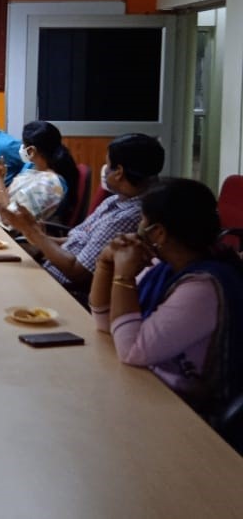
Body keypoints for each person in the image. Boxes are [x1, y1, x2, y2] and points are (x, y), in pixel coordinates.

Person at [89, 178, 243, 450]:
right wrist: (105, 262)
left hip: (187, 417)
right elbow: (107, 324)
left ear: (158, 232)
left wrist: (124, 275)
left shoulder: (203, 287)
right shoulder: (164, 267)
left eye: (143, 220)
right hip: (147, 388)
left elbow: (131, 350)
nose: (138, 228)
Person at [3, 133, 165, 296]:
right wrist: (35, 234)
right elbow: (78, 241)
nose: (105, 169)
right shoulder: (115, 200)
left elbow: (77, 272)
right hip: (49, 271)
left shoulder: (127, 217)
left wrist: (35, 235)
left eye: (108, 164)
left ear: (119, 172)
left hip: (64, 291)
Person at [0, 120, 77, 228]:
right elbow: (8, 200)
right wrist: (0, 178)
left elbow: (9, 220)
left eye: (24, 144)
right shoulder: (32, 170)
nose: (21, 148)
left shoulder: (47, 185)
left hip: (1, 231)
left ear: (31, 151)